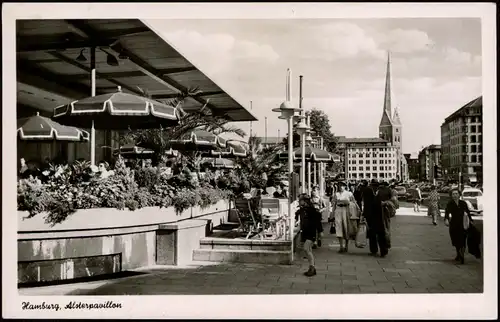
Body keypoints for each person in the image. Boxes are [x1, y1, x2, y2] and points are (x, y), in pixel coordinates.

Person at [295, 194, 323, 277]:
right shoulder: (302, 210)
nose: (299, 202)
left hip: (311, 232)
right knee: (308, 250)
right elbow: (298, 216)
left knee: (306, 249)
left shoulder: (312, 210)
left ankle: (312, 267)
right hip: (305, 231)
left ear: (305, 201)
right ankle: (311, 268)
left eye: (300, 200)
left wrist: (320, 231)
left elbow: (318, 221)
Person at [369, 181, 398, 258]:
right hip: (384, 215)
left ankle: (376, 249)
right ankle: (384, 249)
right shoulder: (388, 191)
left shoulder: (373, 192)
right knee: (384, 232)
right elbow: (394, 201)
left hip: (376, 215)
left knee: (375, 233)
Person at [444, 188, 472, 264]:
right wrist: (446, 219)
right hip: (454, 224)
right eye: (453, 194)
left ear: (459, 195)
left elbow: (467, 212)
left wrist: (470, 221)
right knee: (455, 240)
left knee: (463, 239)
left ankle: (461, 254)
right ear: (451, 195)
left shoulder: (463, 203)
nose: (455, 195)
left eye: (456, 194)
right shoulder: (450, 203)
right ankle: (458, 253)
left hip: (463, 224)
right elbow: (447, 212)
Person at [329, 182, 358, 253]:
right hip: (338, 210)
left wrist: (357, 210)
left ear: (345, 187)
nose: (341, 187)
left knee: (346, 228)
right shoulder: (336, 194)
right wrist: (332, 215)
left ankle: (346, 246)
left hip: (346, 210)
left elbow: (354, 202)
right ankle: (341, 246)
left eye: (342, 186)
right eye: (339, 186)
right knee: (339, 228)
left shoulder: (349, 194)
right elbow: (334, 205)